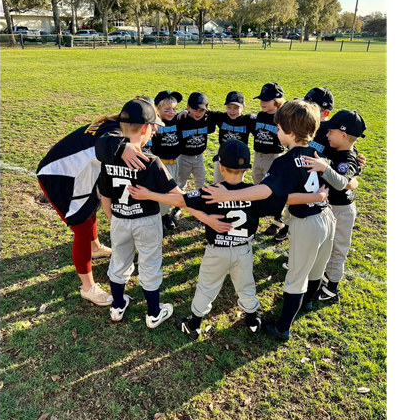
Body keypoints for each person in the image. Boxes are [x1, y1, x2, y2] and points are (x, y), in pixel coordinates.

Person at [127, 139, 329, 339]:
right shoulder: (255, 194)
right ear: (247, 169)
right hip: (243, 249)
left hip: (218, 250)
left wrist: (149, 194)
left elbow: (180, 199)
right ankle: (252, 319)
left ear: (221, 167)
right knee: (246, 285)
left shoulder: (211, 192)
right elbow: (286, 198)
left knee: (206, 287)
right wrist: (317, 197)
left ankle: (194, 324)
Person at [202, 100, 336, 341]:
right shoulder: (317, 152)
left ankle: (282, 327)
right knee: (317, 268)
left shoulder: (284, 161)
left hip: (307, 223)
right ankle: (306, 304)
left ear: (291, 133)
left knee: (296, 277)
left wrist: (229, 194)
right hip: (327, 216)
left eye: (279, 128)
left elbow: (264, 192)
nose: (276, 131)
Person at [97, 97, 233, 328]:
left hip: (120, 218)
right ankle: (153, 313)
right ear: (148, 128)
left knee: (119, 262)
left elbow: (105, 194)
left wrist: (113, 218)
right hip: (146, 222)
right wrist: (206, 216)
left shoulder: (109, 157)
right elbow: (180, 198)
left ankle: (117, 306)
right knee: (149, 265)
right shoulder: (151, 162)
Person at [36, 102, 151, 307]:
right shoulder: (116, 135)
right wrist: (122, 147)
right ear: (144, 127)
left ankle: (95, 247)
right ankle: (87, 287)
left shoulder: (117, 126)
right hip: (59, 176)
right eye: (154, 127)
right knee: (81, 227)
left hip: (74, 173)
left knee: (91, 208)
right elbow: (105, 143)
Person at [301, 110, 366, 304]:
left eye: (331, 132)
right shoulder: (335, 150)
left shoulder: (348, 158)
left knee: (338, 249)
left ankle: (332, 287)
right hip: (330, 207)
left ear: (344, 135)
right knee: (326, 245)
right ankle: (323, 278)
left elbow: (341, 182)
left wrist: (324, 168)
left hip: (343, 211)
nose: (327, 135)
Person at [177, 90, 255, 183]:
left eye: (236, 108)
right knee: (218, 181)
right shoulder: (221, 117)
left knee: (236, 182)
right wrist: (185, 110)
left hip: (239, 154)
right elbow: (199, 110)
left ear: (243, 107)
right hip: (223, 152)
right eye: (229, 107)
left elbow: (263, 119)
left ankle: (234, 197)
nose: (232, 111)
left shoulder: (248, 120)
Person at [250, 82, 289, 238]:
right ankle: (258, 212)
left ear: (278, 101)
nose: (262, 102)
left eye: (267, 100)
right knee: (257, 184)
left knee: (277, 190)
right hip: (258, 156)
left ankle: (278, 220)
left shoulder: (282, 118)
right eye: (261, 99)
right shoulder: (260, 115)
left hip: (274, 158)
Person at [152, 90, 184, 231]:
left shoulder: (178, 120)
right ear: (157, 109)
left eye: (174, 109)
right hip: (161, 163)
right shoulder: (155, 124)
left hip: (175, 162)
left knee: (171, 190)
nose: (172, 112)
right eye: (167, 110)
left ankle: (165, 215)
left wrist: (185, 112)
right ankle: (159, 216)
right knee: (163, 191)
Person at [174, 92, 216, 195]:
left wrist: (209, 113)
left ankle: (199, 202)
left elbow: (216, 118)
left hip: (199, 157)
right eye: (195, 109)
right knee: (180, 182)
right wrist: (183, 111)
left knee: (200, 181)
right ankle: (178, 205)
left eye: (202, 110)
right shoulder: (182, 119)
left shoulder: (207, 119)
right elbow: (169, 117)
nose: (198, 113)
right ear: (188, 107)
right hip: (183, 157)